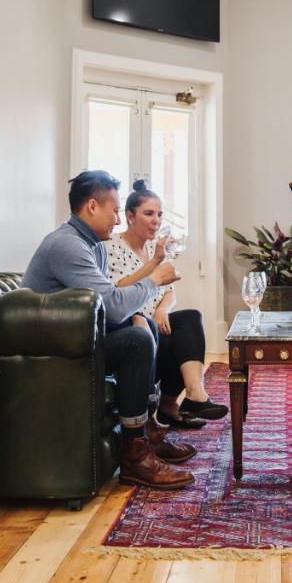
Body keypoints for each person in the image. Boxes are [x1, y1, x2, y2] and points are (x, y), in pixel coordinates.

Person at [21, 170, 195, 489]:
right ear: (92, 206)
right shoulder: (67, 246)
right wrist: (153, 280)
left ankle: (145, 434)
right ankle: (135, 456)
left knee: (143, 327)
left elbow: (104, 305)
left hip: (75, 338)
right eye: (114, 210)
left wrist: (137, 315)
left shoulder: (94, 245)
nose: (117, 219)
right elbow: (113, 305)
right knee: (136, 339)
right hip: (52, 352)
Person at [104, 180, 228, 429]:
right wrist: (154, 267)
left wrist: (162, 309)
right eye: (149, 214)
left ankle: (193, 395)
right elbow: (118, 290)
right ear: (130, 216)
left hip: (156, 323)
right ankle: (169, 408)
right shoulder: (111, 246)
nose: (156, 220)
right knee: (176, 339)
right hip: (134, 328)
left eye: (160, 214)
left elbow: (169, 291)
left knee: (190, 318)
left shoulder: (155, 247)